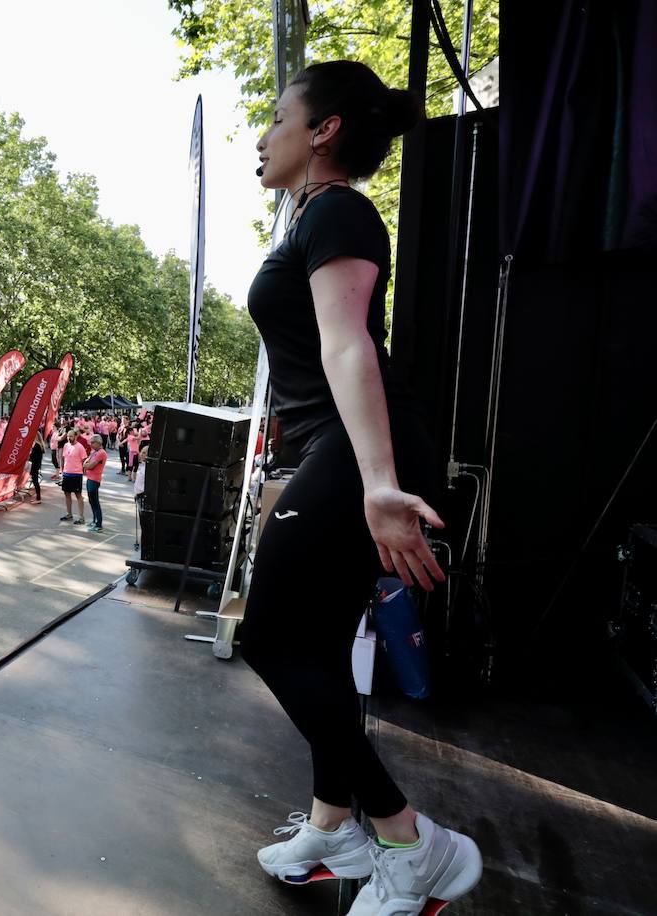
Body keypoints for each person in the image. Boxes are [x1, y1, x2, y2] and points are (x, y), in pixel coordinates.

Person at [242, 60, 480, 912]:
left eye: (276, 118)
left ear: (324, 130)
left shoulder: (339, 210)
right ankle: (331, 823)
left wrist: (377, 484)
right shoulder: (314, 217)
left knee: (272, 639)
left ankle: (413, 845)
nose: (260, 136)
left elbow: (349, 347)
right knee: (318, 648)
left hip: (360, 450)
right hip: (334, 451)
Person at [58, 429, 86, 524]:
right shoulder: (66, 445)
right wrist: (62, 471)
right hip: (66, 473)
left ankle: (81, 517)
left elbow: (84, 461)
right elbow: (63, 459)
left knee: (78, 495)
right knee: (67, 494)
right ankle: (69, 514)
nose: (69, 438)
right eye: (68, 436)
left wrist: (84, 472)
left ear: (76, 436)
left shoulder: (80, 447)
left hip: (76, 474)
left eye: (71, 436)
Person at [82, 434, 107, 531]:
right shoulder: (94, 452)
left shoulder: (101, 453)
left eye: (92, 442)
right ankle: (94, 520)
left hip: (94, 479)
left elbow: (89, 466)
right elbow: (85, 463)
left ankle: (98, 524)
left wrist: (86, 464)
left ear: (98, 442)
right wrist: (86, 464)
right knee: (91, 501)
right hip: (90, 478)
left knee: (95, 502)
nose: (90, 444)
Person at [28, 428, 45, 503]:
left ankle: (38, 498)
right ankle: (38, 498)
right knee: (35, 482)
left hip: (35, 465)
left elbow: (32, 457)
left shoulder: (37, 446)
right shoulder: (39, 445)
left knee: (35, 482)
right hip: (36, 465)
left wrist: (30, 454)